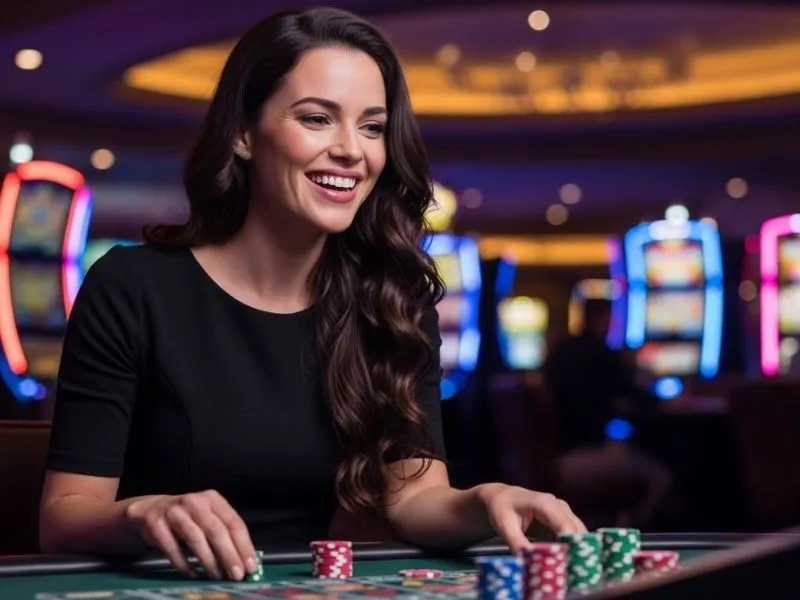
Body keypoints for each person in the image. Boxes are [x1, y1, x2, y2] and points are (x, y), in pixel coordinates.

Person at [39, 6, 585, 583]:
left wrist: (484, 501)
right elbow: (64, 517)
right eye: (318, 118)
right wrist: (144, 513)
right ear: (244, 133)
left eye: (372, 127)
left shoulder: (392, 300)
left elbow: (416, 496)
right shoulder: (132, 287)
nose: (353, 150)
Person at [543, 299, 672, 527]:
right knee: (662, 476)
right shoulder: (601, 354)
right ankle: (636, 537)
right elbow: (637, 397)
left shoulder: (560, 352)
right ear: (604, 318)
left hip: (560, 452)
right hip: (583, 455)